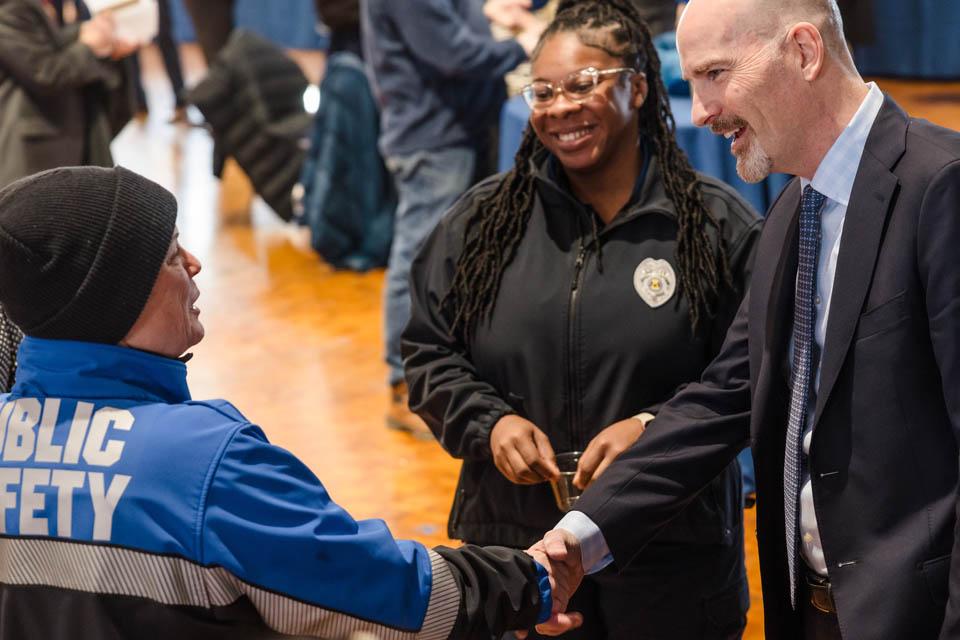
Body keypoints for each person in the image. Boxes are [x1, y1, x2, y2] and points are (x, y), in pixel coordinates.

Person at [0, 165, 582, 639]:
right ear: (116, 301)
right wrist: (529, 581)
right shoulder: (200, 464)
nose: (195, 264)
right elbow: (387, 593)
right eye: (173, 255)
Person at [532, 0, 960, 638]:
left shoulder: (942, 187)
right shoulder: (794, 208)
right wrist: (579, 537)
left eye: (715, 74)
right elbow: (728, 393)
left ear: (804, 52)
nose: (701, 113)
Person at [403, 1, 761, 637]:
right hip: (517, 552)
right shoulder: (481, 226)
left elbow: (755, 370)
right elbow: (430, 353)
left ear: (638, 86)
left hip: (671, 555)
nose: (560, 107)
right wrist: (489, 424)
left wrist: (654, 427)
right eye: (542, 91)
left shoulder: (716, 228)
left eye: (583, 85)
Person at [361, 0, 544, 437]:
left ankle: (448, 378)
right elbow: (455, 55)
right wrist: (523, 45)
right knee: (419, 261)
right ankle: (405, 387)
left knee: (465, 258)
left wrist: (488, 14)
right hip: (433, 138)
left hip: (455, 129)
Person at [0, 0, 135, 189]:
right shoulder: (10, 9)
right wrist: (90, 46)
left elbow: (59, 44)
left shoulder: (73, 6)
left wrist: (107, 45)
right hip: (36, 150)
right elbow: (44, 74)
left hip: (76, 134)